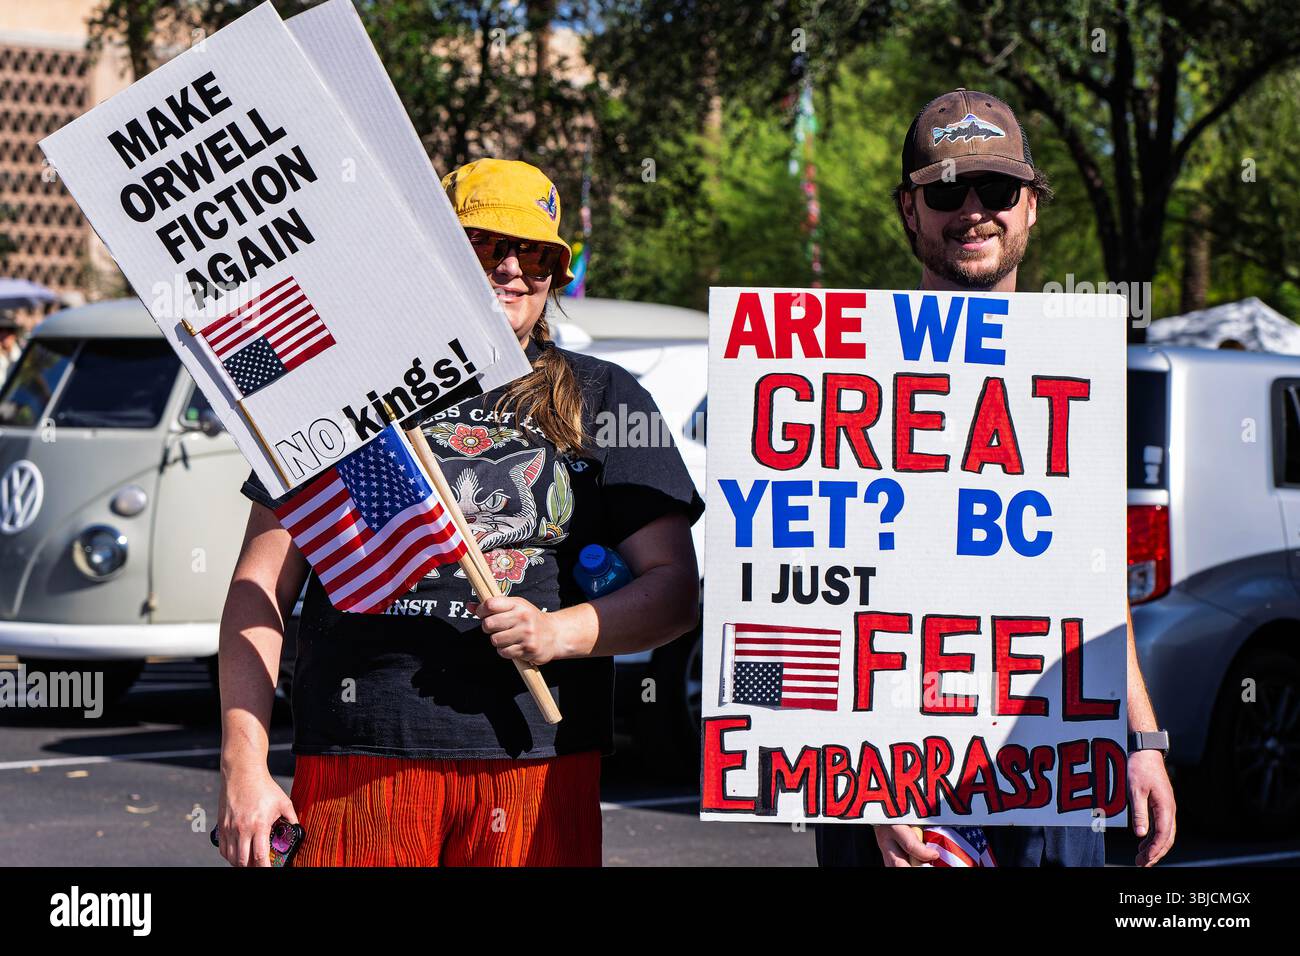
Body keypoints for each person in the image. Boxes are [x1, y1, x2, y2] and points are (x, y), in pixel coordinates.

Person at [216, 158, 704, 867]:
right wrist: (243, 767)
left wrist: (559, 633)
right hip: (362, 756)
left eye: (534, 254)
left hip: (539, 763)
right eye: (483, 245)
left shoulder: (606, 396)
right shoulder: (343, 393)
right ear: (433, 253)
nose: (511, 268)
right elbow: (256, 591)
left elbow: (671, 590)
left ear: (555, 275)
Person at [814, 88, 1176, 868]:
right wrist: (861, 780)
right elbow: (815, 594)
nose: (973, 210)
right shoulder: (843, 372)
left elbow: (1093, 579)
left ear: (1032, 207)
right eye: (945, 190)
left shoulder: (1072, 372)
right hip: (887, 777)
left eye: (997, 189)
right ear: (909, 210)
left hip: (1048, 767)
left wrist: (1141, 739)